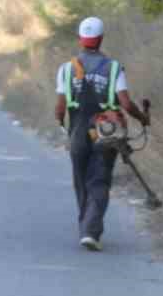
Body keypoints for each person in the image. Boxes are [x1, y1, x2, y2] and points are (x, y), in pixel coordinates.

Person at [54, 17, 148, 250]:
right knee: (99, 180)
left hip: (77, 131)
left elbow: (59, 108)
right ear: (101, 39)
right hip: (106, 131)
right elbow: (126, 104)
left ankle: (85, 226)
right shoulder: (113, 68)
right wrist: (142, 118)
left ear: (80, 39)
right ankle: (90, 230)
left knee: (81, 180)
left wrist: (62, 124)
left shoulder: (66, 69)